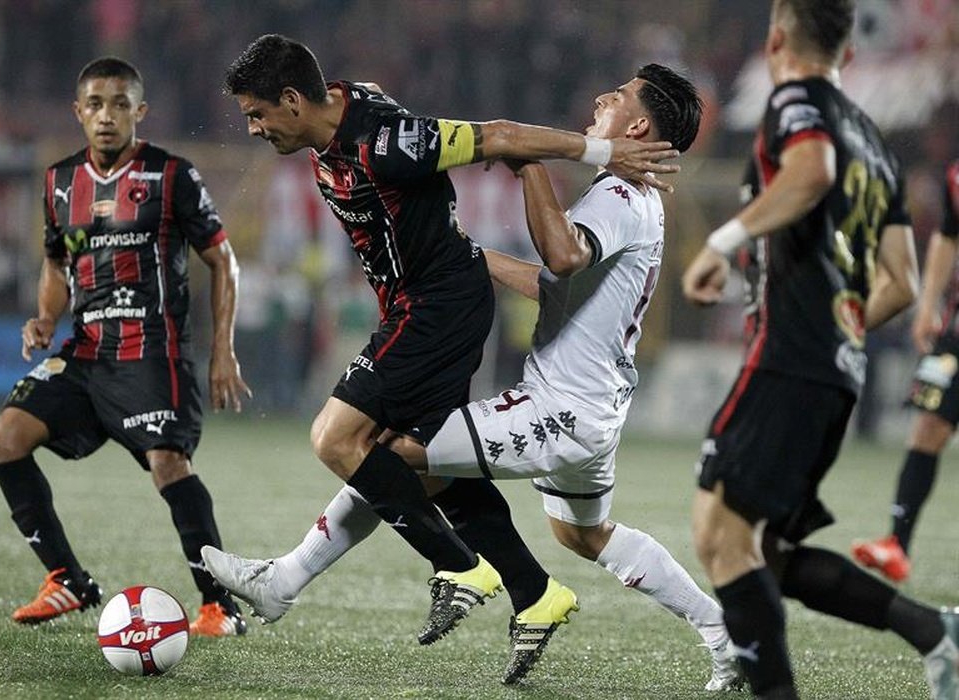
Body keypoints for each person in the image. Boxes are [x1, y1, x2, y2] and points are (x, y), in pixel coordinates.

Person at [205, 62, 743, 691]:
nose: (602, 96)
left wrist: (527, 160)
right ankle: (725, 634)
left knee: (384, 453)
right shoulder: (630, 199)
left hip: (559, 410)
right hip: (595, 408)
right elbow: (555, 289)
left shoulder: (621, 194)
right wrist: (461, 252)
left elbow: (563, 256)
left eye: (618, 96)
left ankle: (290, 580)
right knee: (582, 532)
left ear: (640, 124)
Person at [682, 2, 958, 698]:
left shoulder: (797, 100)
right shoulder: (874, 139)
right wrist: (841, 327)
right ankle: (936, 633)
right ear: (851, 56)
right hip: (834, 367)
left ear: (776, 37)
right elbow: (903, 281)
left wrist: (723, 243)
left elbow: (810, 173)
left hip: (788, 358)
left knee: (718, 533)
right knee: (763, 552)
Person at [0, 57, 252, 637]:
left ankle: (218, 605)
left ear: (140, 111)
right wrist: (45, 316)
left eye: (120, 104)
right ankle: (67, 580)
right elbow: (57, 261)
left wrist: (222, 349)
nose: (107, 116)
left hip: (152, 351)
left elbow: (221, 258)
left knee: (167, 464)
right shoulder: (58, 182)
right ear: (78, 112)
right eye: (96, 105)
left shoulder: (172, 175)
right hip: (87, 350)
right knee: (5, 439)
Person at [852, 158, 959, 583]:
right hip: (955, 330)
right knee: (928, 426)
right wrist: (928, 306)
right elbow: (948, 238)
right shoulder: (954, 175)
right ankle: (897, 543)